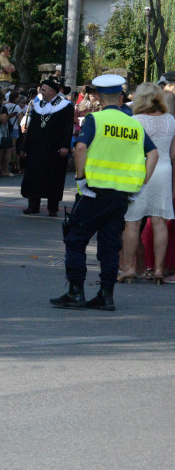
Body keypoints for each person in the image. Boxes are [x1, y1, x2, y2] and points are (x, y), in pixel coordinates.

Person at [51, 74, 158, 311]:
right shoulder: (134, 125)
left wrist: (81, 178)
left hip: (93, 193)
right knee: (110, 245)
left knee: (75, 240)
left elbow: (80, 147)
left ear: (98, 97)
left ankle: (76, 292)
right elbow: (153, 154)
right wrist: (141, 184)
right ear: (121, 98)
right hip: (121, 196)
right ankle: (106, 295)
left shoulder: (94, 119)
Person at [118, 82, 175, 283]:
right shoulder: (171, 120)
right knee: (159, 221)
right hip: (164, 170)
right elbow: (173, 153)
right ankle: (158, 269)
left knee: (131, 223)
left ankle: (128, 268)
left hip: (141, 171)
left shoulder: (134, 120)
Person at [20, 78, 74, 216]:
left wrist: (65, 146)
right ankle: (33, 205)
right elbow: (31, 128)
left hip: (55, 148)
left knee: (54, 177)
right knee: (33, 175)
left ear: (51, 92)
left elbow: (68, 127)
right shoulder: (38, 106)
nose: (40, 92)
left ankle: (53, 207)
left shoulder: (65, 106)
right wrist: (25, 148)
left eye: (43, 90)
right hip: (37, 148)